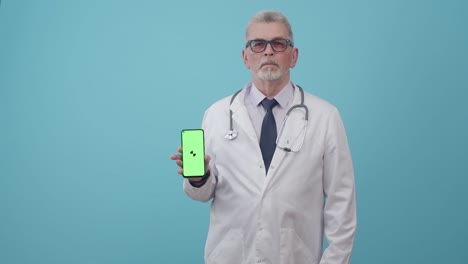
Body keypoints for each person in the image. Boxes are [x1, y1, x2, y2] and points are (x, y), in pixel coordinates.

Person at [170, 10, 356, 264]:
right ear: (246, 57)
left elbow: (341, 203)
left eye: (279, 44)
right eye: (258, 44)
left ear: (294, 56)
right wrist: (199, 178)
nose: (268, 51)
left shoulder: (325, 117)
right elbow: (201, 195)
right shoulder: (216, 114)